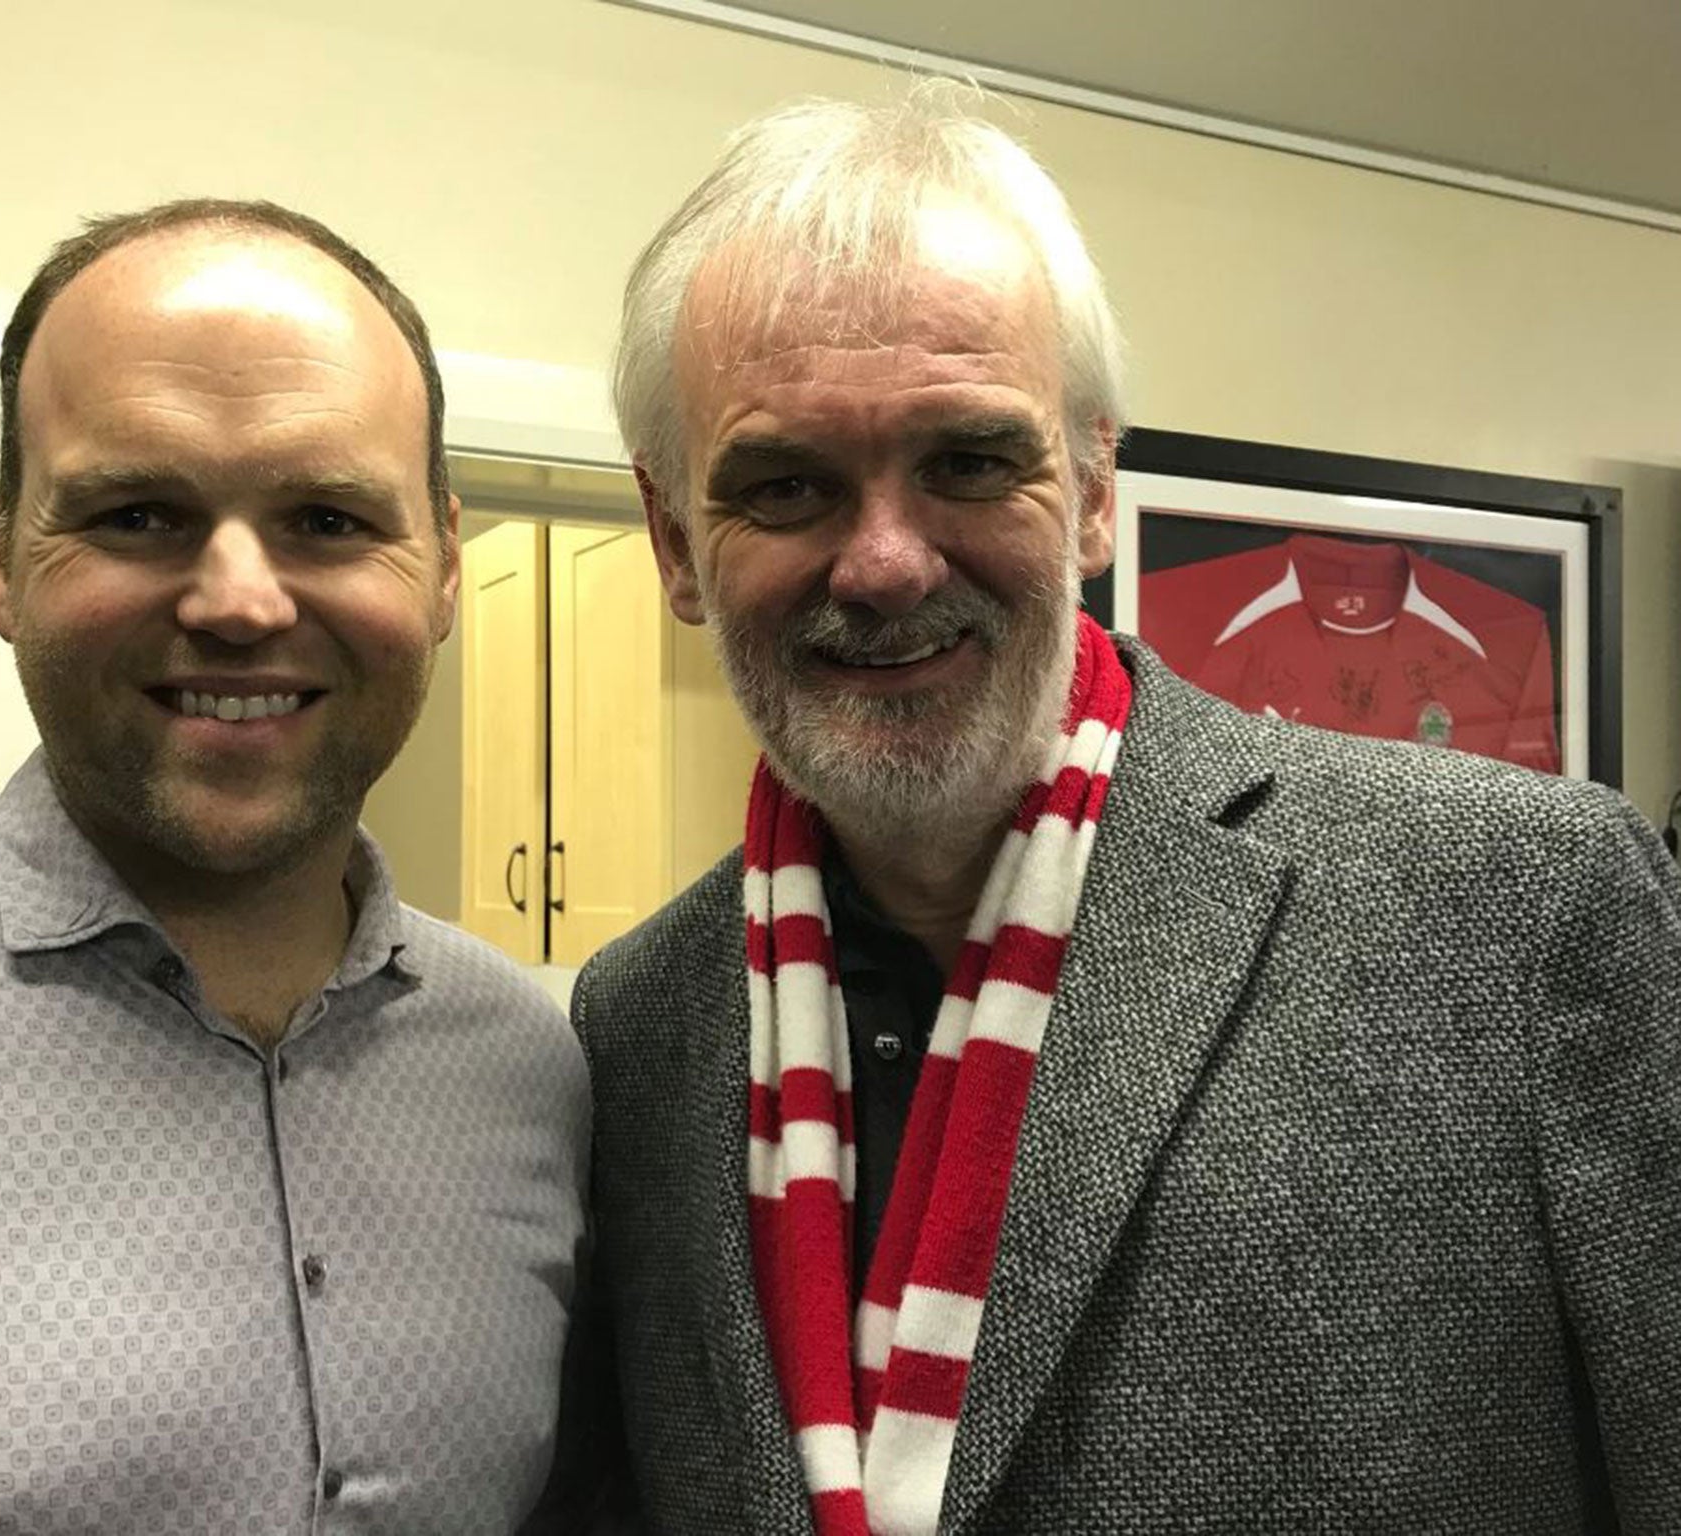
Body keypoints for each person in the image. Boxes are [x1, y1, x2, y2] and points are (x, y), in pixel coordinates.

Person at [572, 96, 1681, 1534]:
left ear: (1094, 489)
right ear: (675, 544)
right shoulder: (640, 1020)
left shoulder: (1522, 910)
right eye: (786, 487)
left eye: (970, 461)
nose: (887, 563)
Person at [0, 199, 588, 1533]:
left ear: (438, 563)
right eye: (139, 513)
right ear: (5, 558)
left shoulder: (531, 1071)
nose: (241, 600)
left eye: (326, 516)